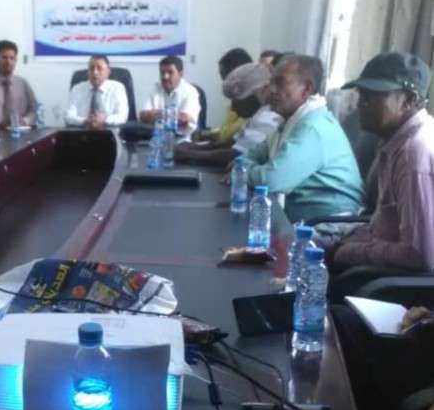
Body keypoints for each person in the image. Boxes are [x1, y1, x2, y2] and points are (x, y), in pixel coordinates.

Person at [333, 52, 434, 272]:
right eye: (361, 95)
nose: (360, 104)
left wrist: (353, 251)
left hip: (398, 282)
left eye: (372, 96)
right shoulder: (396, 138)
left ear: (408, 100)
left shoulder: (414, 153)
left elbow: (420, 254)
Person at [243, 54, 363, 222]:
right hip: (303, 220)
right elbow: (253, 154)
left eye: (280, 83)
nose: (272, 90)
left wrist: (241, 171)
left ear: (306, 89)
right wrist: (245, 166)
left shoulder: (313, 128)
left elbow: (271, 179)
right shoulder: (289, 122)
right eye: (271, 83)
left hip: (329, 224)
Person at [175, 62, 282, 167]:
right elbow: (234, 141)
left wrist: (190, 154)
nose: (234, 109)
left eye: (236, 102)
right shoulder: (259, 113)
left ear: (253, 97)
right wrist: (193, 147)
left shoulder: (269, 117)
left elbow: (236, 155)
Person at [192, 47, 253, 144]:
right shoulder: (235, 101)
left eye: (225, 77)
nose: (224, 83)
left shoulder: (253, 105)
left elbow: (233, 143)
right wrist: (207, 134)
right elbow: (225, 131)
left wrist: (193, 150)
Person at [139, 56, 200, 133]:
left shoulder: (190, 92)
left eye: (170, 72)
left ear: (181, 74)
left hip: (181, 138)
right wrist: (173, 115)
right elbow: (143, 116)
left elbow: (184, 119)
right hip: (156, 137)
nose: (165, 77)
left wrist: (156, 114)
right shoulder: (155, 89)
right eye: (162, 72)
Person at [65, 55, 128, 128]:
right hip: (82, 130)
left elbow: (122, 116)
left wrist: (104, 119)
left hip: (109, 131)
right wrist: (85, 120)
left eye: (99, 68)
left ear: (108, 72)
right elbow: (68, 116)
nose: (95, 72)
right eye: (91, 68)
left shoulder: (117, 88)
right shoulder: (77, 89)